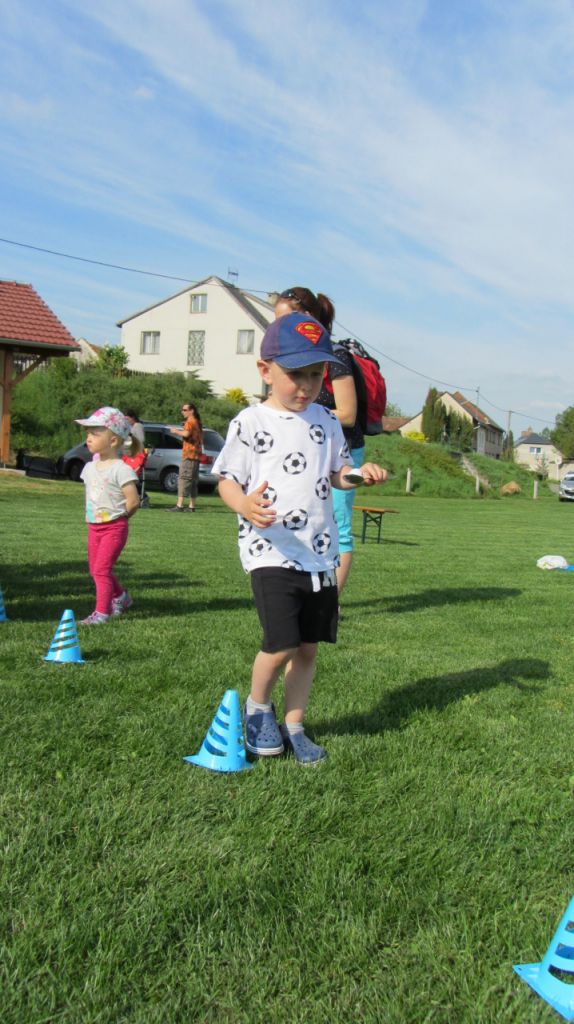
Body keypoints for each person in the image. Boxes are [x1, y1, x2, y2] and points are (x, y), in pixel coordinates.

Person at [213, 312, 388, 764]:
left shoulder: (326, 421)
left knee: (308, 648)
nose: (306, 386)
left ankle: (294, 726)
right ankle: (257, 710)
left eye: (315, 374)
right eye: (296, 374)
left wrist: (360, 475)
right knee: (281, 644)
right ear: (265, 370)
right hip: (270, 550)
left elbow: (337, 474)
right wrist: (243, 505)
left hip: (319, 553)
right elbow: (226, 479)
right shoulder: (250, 422)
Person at [274, 287, 362, 605]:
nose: (278, 326)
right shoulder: (286, 357)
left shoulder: (334, 356)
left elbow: (348, 414)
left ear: (307, 317)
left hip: (340, 451)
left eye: (285, 318)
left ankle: (328, 602)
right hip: (306, 449)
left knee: (338, 526)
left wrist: (308, 412)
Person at [75, 407, 140, 625]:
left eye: (95, 434)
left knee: (101, 570)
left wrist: (119, 520)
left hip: (114, 528)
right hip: (94, 527)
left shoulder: (121, 470)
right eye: (88, 433)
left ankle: (101, 613)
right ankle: (121, 597)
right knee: (96, 569)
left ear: (113, 441)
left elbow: (133, 501)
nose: (89, 438)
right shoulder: (89, 467)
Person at [168, 402, 203, 512]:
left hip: (189, 455)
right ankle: (191, 506)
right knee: (193, 481)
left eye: (184, 410)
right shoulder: (197, 422)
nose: (182, 412)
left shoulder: (190, 422)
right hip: (196, 455)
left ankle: (180, 505)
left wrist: (175, 431)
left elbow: (186, 434)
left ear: (191, 411)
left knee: (184, 479)